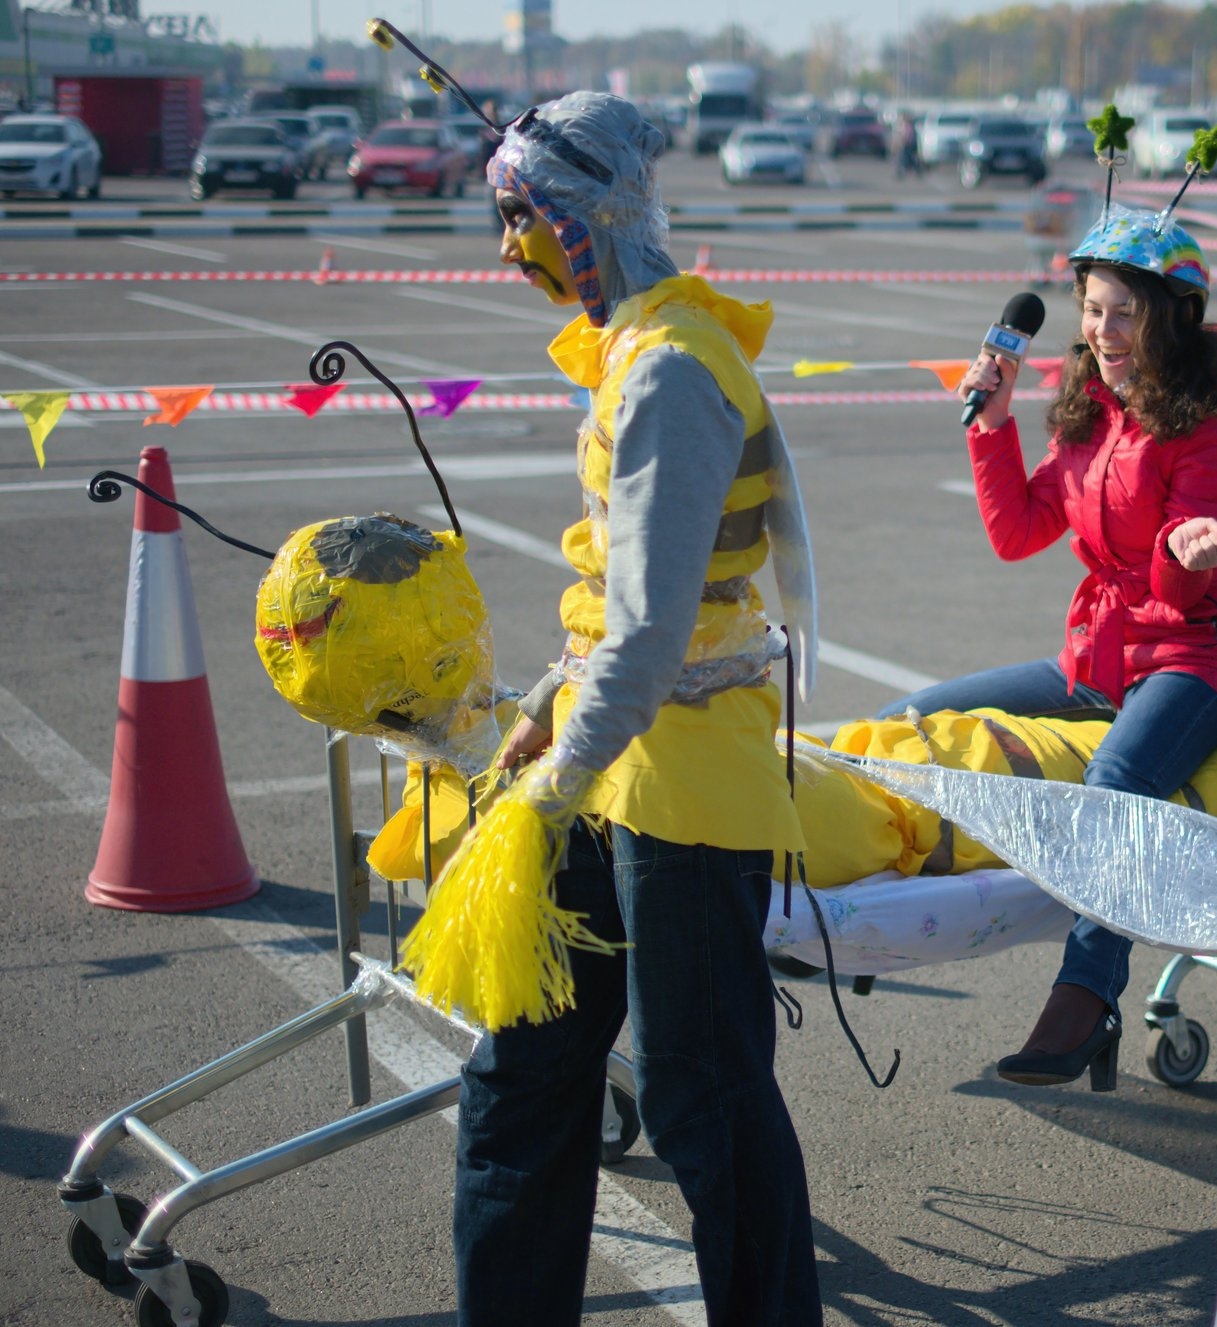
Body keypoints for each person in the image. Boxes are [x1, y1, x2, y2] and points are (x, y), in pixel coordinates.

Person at [455, 89, 823, 1324]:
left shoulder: (672, 371)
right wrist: (552, 713)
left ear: (584, 217)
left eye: (519, 218)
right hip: (605, 761)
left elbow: (659, 627)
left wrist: (553, 776)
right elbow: (614, 603)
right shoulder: (628, 348)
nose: (508, 248)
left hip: (684, 789)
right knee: (523, 1077)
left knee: (702, 1102)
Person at [880, 206, 1217, 1089]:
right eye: (1092, 309)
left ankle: (1088, 997)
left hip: (1201, 652)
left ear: (1173, 314)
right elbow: (1019, 532)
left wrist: (1184, 552)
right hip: (1101, 655)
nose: (1102, 330)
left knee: (1118, 783)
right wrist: (994, 422)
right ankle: (837, 916)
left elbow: (1182, 586)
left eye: (1123, 312)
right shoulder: (1090, 407)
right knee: (922, 715)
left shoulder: (1214, 418)